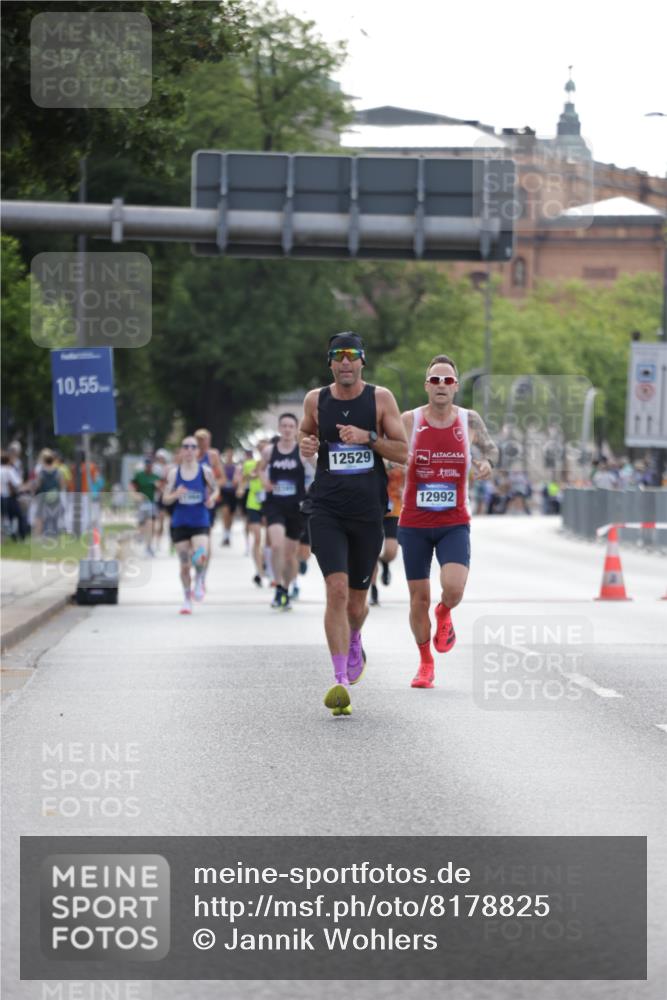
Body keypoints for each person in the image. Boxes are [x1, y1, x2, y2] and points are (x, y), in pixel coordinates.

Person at [299, 332, 408, 716]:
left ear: (363, 360)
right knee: (336, 590)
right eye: (338, 355)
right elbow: (306, 433)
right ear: (330, 362)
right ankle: (340, 679)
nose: (345, 362)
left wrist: (369, 438)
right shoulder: (315, 400)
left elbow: (403, 451)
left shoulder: (380, 399)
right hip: (326, 509)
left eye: (351, 355)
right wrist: (307, 444)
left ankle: (355, 636)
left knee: (357, 604)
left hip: (367, 512)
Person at [398, 354, 498, 689]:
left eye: (448, 381)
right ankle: (425, 662)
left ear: (456, 387)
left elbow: (491, 450)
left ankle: (444, 612)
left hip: (454, 521)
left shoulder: (469, 421)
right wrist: (395, 463)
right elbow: (388, 454)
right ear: (426, 386)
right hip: (414, 523)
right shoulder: (409, 421)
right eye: (435, 380)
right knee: (418, 599)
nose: (441, 385)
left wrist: (487, 463)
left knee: (453, 589)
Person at [162, 436, 219, 614]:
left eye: (193, 447)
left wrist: (211, 498)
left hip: (200, 520)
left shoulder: (205, 471)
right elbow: (165, 498)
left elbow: (216, 489)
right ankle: (187, 599)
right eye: (185, 446)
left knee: (200, 555)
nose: (189, 450)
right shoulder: (174, 473)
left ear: (198, 451)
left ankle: (199, 579)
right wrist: (176, 494)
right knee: (184, 565)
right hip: (180, 523)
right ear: (181, 451)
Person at [260, 413, 306, 611]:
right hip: (275, 504)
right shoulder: (269, 451)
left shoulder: (302, 452)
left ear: (296, 430)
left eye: (291, 426)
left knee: (290, 555)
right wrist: (265, 482)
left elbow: (316, 471)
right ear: (279, 428)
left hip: (295, 507)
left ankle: (287, 587)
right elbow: (260, 469)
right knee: (276, 545)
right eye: (284, 426)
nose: (287, 429)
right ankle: (278, 586)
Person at [370, 460, 405, 606]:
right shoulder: (372, 452)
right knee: (370, 552)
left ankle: (384, 561)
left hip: (393, 509)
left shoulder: (399, 453)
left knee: (391, 551)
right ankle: (373, 590)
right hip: (372, 507)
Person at [130, 457, 160, 556]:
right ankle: (139, 537)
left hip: (151, 503)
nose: (149, 467)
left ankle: (148, 546)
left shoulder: (155, 477)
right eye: (147, 465)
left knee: (151, 524)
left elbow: (160, 489)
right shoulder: (139, 475)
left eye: (150, 465)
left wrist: (158, 486)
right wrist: (135, 495)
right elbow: (132, 485)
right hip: (141, 503)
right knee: (141, 525)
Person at [220, 447, 240, 546]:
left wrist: (236, 482)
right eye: (228, 455)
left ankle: (228, 534)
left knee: (231, 516)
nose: (229, 456)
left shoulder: (236, 467)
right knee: (225, 513)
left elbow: (238, 480)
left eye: (231, 454)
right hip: (225, 493)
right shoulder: (222, 467)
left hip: (233, 494)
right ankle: (225, 534)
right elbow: (220, 479)